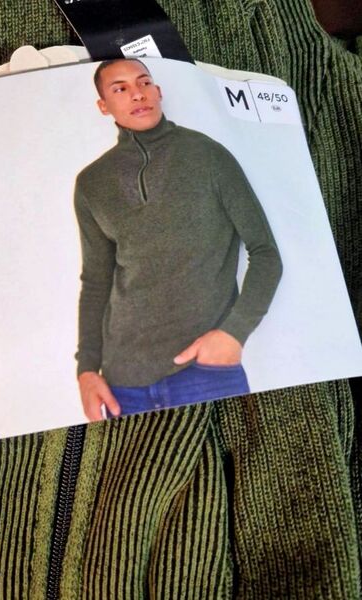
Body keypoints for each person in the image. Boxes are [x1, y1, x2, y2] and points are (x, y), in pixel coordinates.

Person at [74, 58, 282, 421]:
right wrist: (87, 369)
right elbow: (96, 282)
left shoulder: (208, 155)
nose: (137, 94)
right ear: (103, 106)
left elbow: (265, 253)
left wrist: (234, 334)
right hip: (123, 383)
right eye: (120, 88)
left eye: (144, 83)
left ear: (158, 91)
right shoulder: (92, 182)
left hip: (205, 372)